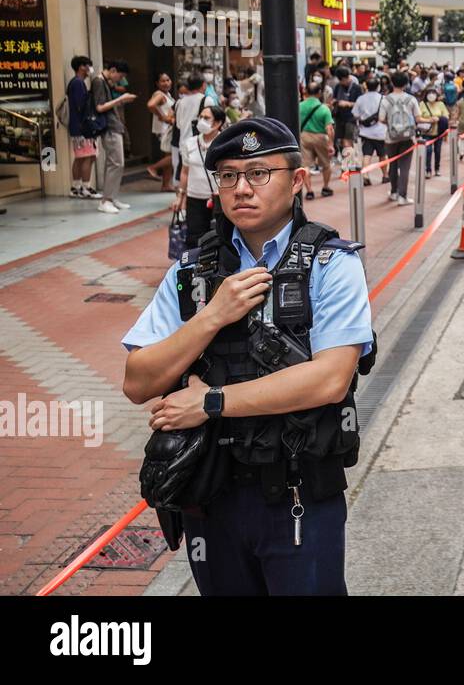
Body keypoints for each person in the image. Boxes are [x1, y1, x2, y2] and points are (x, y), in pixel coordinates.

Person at [122, 117, 374, 595]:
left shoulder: (331, 265)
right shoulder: (193, 270)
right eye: (229, 175)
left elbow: (330, 379)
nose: (242, 188)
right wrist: (211, 316)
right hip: (210, 499)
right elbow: (138, 381)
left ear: (296, 181)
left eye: (260, 173)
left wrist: (212, 401)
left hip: (299, 495)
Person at [175, 104, 227, 248]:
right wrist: (180, 196)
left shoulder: (223, 144)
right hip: (194, 198)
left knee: (220, 234)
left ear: (217, 123)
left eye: (206, 118)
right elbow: (185, 171)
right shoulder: (190, 144)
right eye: (201, 117)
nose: (201, 120)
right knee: (194, 237)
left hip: (218, 198)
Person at [90, 60, 136, 214]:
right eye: (120, 76)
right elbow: (100, 107)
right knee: (116, 163)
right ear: (113, 70)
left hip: (113, 126)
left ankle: (112, 197)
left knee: (117, 163)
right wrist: (121, 99)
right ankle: (106, 200)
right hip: (108, 127)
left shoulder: (104, 82)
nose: (120, 79)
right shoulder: (98, 82)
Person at [379, 70, 421, 205]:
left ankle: (393, 192)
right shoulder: (411, 99)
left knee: (393, 165)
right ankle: (403, 197)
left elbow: (381, 119)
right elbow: (418, 118)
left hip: (391, 138)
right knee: (405, 167)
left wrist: (391, 125)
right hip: (408, 138)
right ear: (406, 83)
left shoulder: (386, 99)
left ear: (392, 82)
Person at [66, 56, 102, 200]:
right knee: (88, 156)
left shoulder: (75, 83)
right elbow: (82, 105)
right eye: (88, 66)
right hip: (83, 127)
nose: (90, 69)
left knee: (81, 157)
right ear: (82, 67)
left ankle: (76, 187)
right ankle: (85, 187)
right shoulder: (78, 83)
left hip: (77, 126)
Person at [298, 81, 335, 200]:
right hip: (320, 137)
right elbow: (329, 129)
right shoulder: (324, 109)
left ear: (306, 92)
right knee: (326, 164)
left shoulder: (299, 106)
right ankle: (325, 187)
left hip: (304, 136)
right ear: (319, 93)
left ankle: (309, 191)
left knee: (305, 165)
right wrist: (331, 144)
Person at [353, 78, 387, 186]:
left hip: (365, 132)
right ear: (378, 86)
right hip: (381, 132)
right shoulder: (383, 98)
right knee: (383, 155)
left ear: (366, 86)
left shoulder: (361, 99)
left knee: (367, 155)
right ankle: (385, 175)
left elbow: (355, 114)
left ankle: (365, 176)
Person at [146, 73, 176, 191]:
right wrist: (162, 116)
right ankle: (153, 168)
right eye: (163, 81)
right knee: (175, 155)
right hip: (165, 130)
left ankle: (165, 185)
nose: (166, 83)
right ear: (157, 84)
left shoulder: (166, 95)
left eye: (168, 80)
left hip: (167, 129)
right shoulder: (159, 94)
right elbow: (151, 105)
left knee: (168, 156)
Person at [418, 86, 450, 178]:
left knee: (438, 151)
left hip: (438, 132)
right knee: (428, 151)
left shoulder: (440, 104)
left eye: (433, 93)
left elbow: (446, 116)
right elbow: (418, 117)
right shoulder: (422, 104)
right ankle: (428, 170)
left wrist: (438, 119)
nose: (431, 95)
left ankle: (437, 168)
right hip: (426, 132)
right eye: (429, 93)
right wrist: (428, 120)